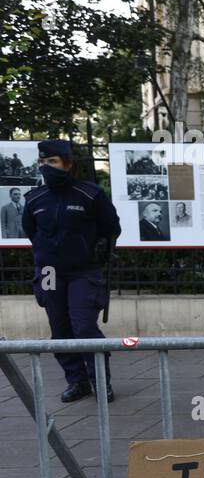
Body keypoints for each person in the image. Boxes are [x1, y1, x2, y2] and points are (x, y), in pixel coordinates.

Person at [22, 139, 121, 403]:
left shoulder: (90, 194)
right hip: (51, 273)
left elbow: (111, 227)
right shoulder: (34, 198)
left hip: (82, 272)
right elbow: (31, 231)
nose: (46, 167)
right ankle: (77, 381)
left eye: (52, 162)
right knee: (60, 328)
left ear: (67, 164)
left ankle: (101, 381)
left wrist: (94, 250)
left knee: (84, 327)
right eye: (42, 162)